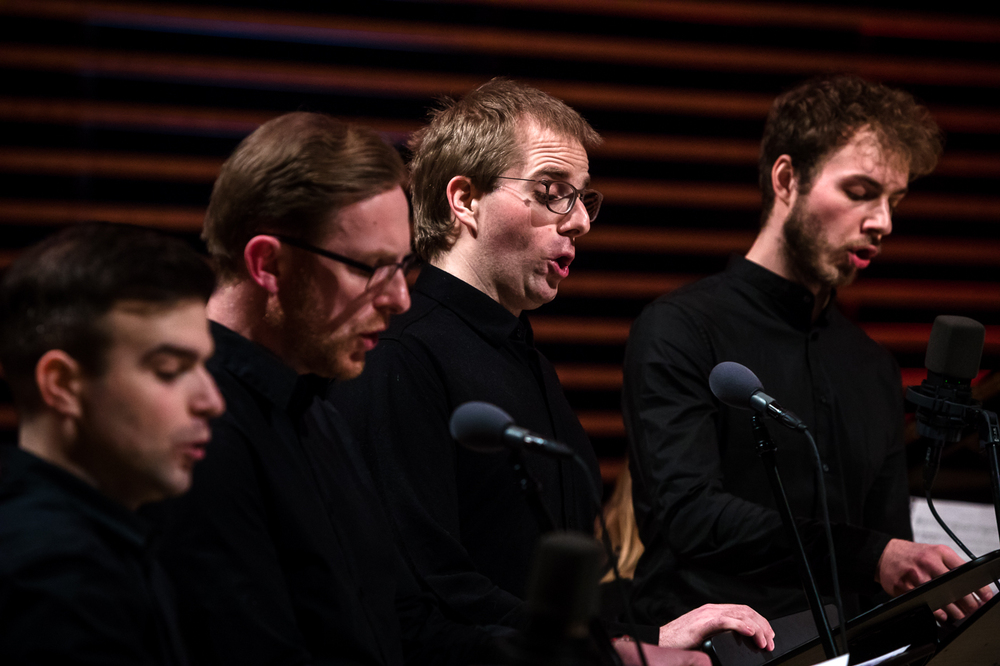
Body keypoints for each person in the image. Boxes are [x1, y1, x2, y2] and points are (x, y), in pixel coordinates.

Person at [330, 78, 774, 665]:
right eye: (552, 192)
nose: (580, 221)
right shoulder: (401, 356)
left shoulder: (524, 356)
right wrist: (617, 652)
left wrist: (648, 636)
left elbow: (534, 597)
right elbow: (428, 597)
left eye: (583, 198)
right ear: (464, 199)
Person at [623, 75, 993, 627]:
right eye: (860, 192)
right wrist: (873, 555)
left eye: (894, 201)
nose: (883, 222)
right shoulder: (680, 328)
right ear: (786, 179)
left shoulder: (871, 364)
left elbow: (888, 547)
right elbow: (690, 516)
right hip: (720, 650)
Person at [152, 112, 500, 666]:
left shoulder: (317, 412)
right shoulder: (194, 431)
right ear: (268, 263)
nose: (399, 299)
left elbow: (398, 625)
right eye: (370, 268)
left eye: (402, 266)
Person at [0, 222, 224, 665]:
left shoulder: (99, 542)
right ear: (63, 385)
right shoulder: (56, 581)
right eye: (169, 370)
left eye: (203, 366)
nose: (212, 402)